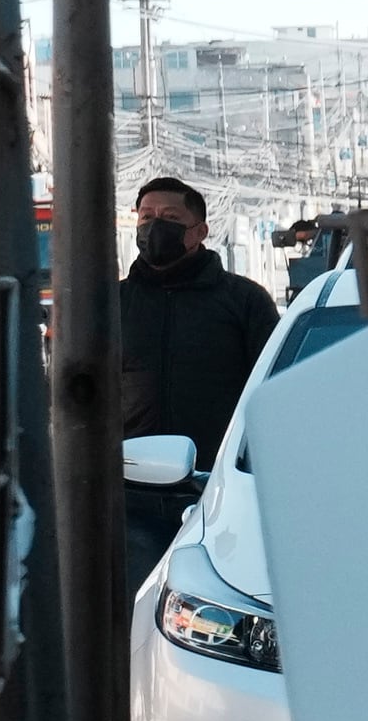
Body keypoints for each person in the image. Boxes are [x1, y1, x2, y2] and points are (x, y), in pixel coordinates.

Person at [112, 175, 277, 568]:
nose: (155, 226)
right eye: (147, 216)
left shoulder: (243, 302)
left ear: (199, 231)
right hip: (129, 498)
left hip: (219, 492)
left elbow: (273, 393)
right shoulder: (112, 303)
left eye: (169, 216)